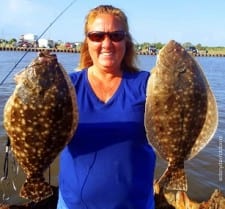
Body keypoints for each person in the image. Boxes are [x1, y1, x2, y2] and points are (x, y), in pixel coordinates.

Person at [57, 5, 156, 209]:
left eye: (116, 36)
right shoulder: (65, 86)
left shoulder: (148, 84)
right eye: (97, 36)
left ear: (126, 41)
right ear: (87, 41)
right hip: (72, 204)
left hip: (136, 204)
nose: (107, 43)